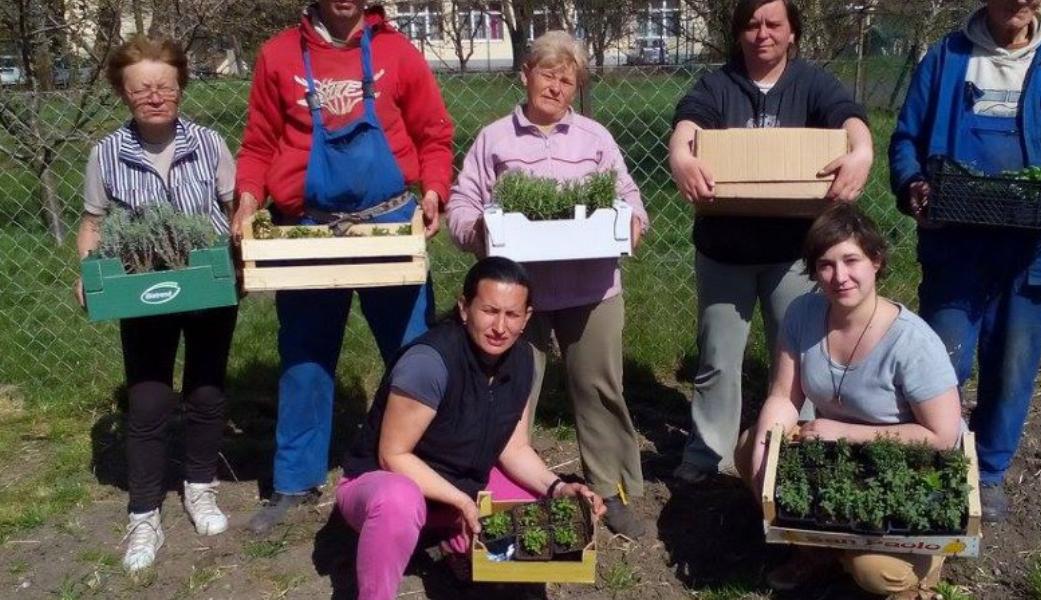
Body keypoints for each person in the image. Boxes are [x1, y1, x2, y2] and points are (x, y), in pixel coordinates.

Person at [234, 0, 454, 533]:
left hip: (390, 222)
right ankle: (295, 481)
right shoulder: (279, 54)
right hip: (308, 227)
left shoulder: (398, 52)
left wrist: (432, 191)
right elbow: (259, 143)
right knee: (305, 357)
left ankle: (438, 468)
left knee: (416, 353)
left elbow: (434, 134)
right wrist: (245, 199)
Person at [889, 0, 1041, 522]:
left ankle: (986, 472)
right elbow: (905, 141)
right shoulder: (946, 59)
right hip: (958, 244)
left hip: (1035, 249)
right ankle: (937, 462)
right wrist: (912, 183)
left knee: (1012, 366)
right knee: (941, 362)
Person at [445, 31, 650, 537]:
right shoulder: (494, 139)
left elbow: (629, 195)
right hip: (517, 298)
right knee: (510, 395)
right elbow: (460, 205)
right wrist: (480, 233)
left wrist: (634, 223)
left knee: (599, 389)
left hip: (590, 289)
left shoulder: (596, 139)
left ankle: (612, 489)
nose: (557, 87)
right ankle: (505, 489)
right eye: (548, 74)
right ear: (525, 74)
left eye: (568, 79)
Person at [667, 0, 874, 484]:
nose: (763, 34)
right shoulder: (718, 85)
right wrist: (680, 153)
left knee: (799, 357)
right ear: (739, 32)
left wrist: (861, 149)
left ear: (792, 32)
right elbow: (690, 119)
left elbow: (848, 115)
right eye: (752, 25)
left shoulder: (812, 83)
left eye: (773, 24)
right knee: (718, 358)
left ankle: (794, 451)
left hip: (793, 253)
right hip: (726, 250)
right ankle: (708, 458)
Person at [337, 257, 606, 599]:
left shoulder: (523, 360)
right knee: (398, 501)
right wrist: (462, 500)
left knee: (534, 508)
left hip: (459, 487)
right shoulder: (429, 362)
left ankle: (458, 542)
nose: (500, 327)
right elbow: (393, 456)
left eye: (512, 315)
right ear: (464, 309)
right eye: (489, 311)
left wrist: (558, 488)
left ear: (526, 318)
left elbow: (515, 448)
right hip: (381, 484)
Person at [734, 204, 962, 599]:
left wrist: (844, 432)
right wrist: (764, 451)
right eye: (826, 264)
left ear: (875, 260)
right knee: (748, 447)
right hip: (838, 454)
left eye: (851, 260)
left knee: (875, 572)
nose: (839, 277)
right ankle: (819, 553)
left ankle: (919, 576)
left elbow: (942, 436)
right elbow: (784, 396)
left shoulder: (913, 343)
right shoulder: (804, 313)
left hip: (911, 466)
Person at [73, 36, 238, 571]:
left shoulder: (211, 144)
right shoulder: (106, 153)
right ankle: (144, 513)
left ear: (181, 87)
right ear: (124, 94)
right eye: (141, 87)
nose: (154, 96)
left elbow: (236, 209)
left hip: (209, 286)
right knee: (146, 402)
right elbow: (93, 224)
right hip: (142, 291)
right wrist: (90, 273)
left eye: (164, 85)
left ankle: (199, 485)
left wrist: (244, 258)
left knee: (207, 391)